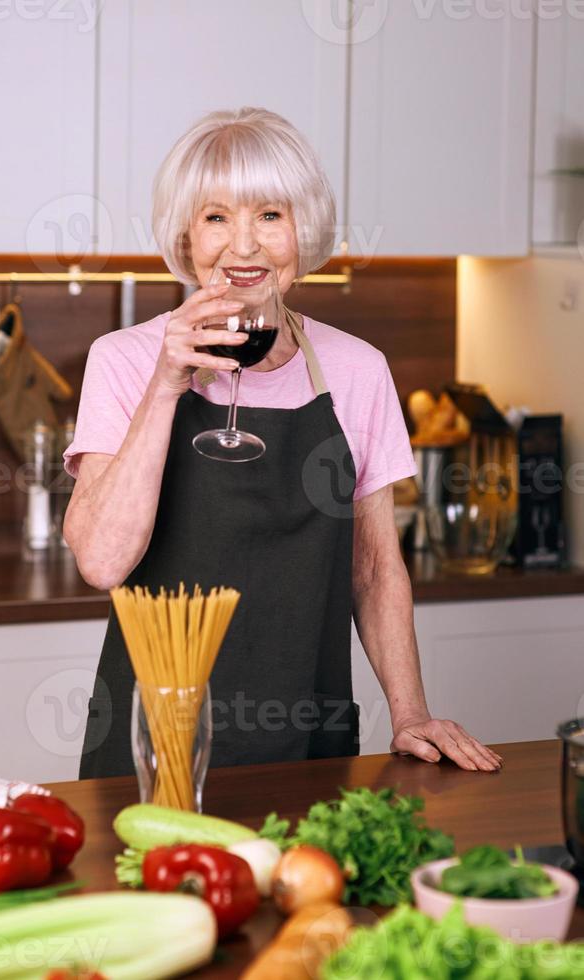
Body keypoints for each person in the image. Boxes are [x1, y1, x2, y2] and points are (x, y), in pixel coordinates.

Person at [64, 107, 502, 777]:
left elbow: (376, 568)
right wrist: (165, 385)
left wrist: (412, 713)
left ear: (304, 232)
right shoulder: (124, 360)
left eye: (270, 215)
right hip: (152, 742)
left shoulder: (358, 370)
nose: (244, 247)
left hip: (310, 738)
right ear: (188, 236)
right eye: (216, 217)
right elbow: (100, 561)